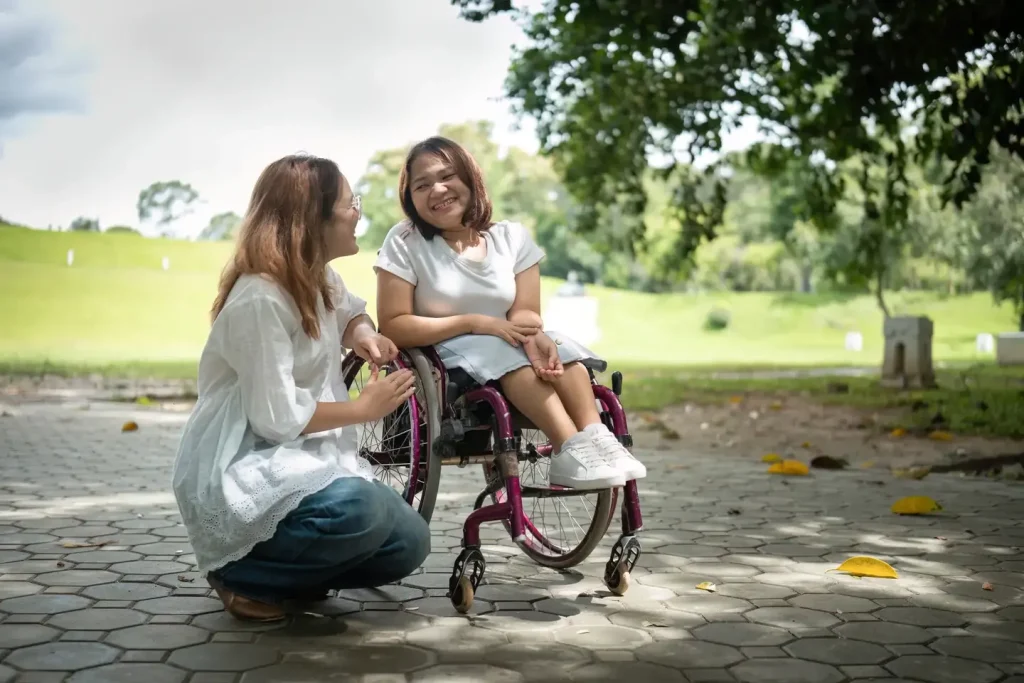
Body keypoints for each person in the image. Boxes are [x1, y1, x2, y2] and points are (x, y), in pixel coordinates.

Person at [171, 154, 430, 622]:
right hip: (244, 460)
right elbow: (275, 419)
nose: (359, 213)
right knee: (362, 510)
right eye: (352, 204)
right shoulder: (260, 298)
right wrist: (363, 409)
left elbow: (351, 311)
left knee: (410, 542)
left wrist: (365, 335)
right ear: (314, 217)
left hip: (302, 456)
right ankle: (239, 575)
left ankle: (293, 574)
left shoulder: (317, 275)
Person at [374, 137, 647, 491]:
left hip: (506, 342)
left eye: (447, 177)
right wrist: (475, 322)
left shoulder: (511, 238)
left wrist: (535, 337)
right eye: (421, 185)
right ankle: (568, 446)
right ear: (409, 198)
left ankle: (597, 438)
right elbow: (394, 326)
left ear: (471, 179)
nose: (437, 190)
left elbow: (526, 313)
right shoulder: (405, 241)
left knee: (563, 354)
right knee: (509, 359)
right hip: (442, 354)